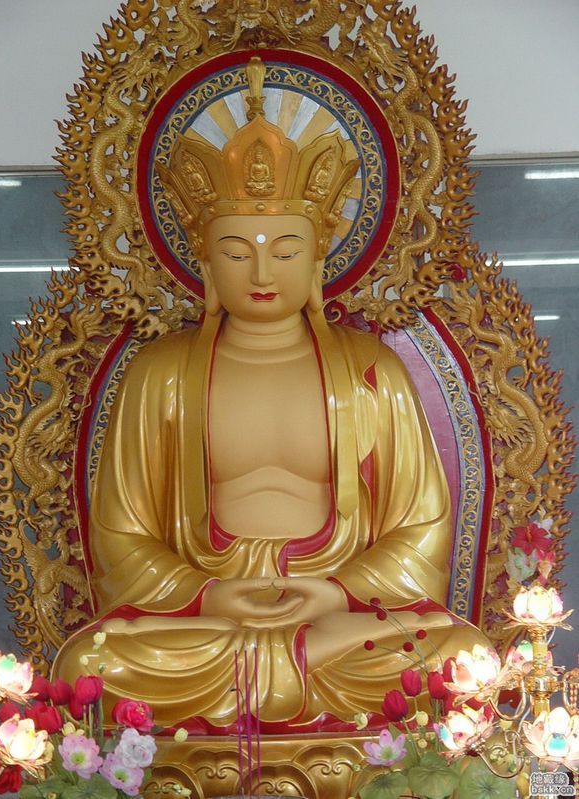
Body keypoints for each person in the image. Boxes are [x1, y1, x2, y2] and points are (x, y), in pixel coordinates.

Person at [52, 58, 487, 730]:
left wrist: (333, 591)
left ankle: (276, 683)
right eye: (235, 251)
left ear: (318, 260)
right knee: (90, 664)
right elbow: (121, 534)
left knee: (461, 653)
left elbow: (420, 526)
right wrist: (208, 595)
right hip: (205, 622)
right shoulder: (160, 374)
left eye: (284, 251)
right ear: (202, 262)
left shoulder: (370, 371)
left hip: (339, 619)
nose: (260, 271)